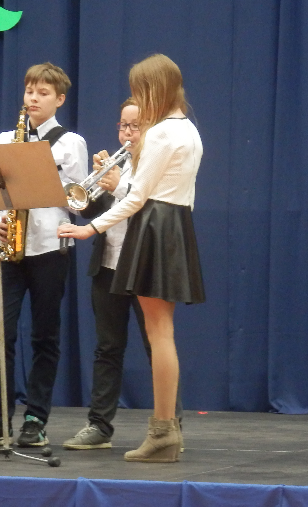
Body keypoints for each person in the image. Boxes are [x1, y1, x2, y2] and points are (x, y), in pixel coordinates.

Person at [59, 54, 205, 463]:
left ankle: (163, 433)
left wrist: (89, 228)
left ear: (154, 89)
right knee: (162, 334)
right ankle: (166, 430)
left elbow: (137, 198)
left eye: (141, 90)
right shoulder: (190, 130)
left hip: (155, 226)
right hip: (175, 224)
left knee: (158, 336)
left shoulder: (160, 134)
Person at [0, 63, 88, 448]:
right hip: (10, 246)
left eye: (43, 93)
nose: (33, 98)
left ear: (59, 99)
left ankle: (36, 419)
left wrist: (51, 184)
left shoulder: (71, 143)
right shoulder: (6, 139)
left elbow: (79, 201)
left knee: (44, 335)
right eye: (30, 91)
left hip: (50, 246)